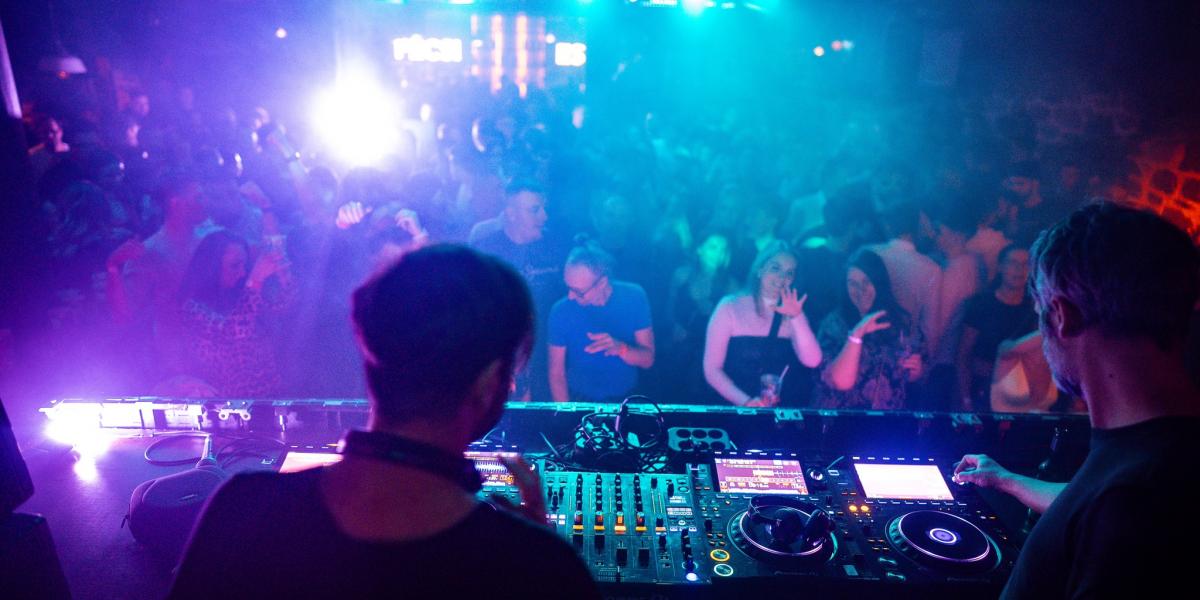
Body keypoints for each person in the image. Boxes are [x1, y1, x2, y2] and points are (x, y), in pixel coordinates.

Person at [169, 245, 598, 598]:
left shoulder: (243, 508)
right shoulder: (534, 567)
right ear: (488, 383)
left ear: (372, 354)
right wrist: (535, 558)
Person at [952, 202, 1200, 598]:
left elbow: (1115, 509)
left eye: (1040, 313)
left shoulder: (1135, 501)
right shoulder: (1149, 457)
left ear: (1062, 316)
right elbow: (1088, 502)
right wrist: (1007, 479)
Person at [703, 241, 822, 407]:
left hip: (778, 410)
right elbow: (712, 369)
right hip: (735, 408)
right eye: (775, 268)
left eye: (789, 273)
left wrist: (797, 316)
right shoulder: (730, 306)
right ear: (760, 269)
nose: (782, 278)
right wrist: (746, 402)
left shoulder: (793, 313)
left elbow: (813, 361)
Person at [176, 231, 294, 397]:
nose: (242, 272)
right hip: (229, 401)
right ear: (211, 268)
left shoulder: (243, 293)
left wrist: (283, 274)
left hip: (269, 394)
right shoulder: (192, 307)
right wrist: (256, 280)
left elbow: (282, 308)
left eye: (245, 265)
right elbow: (233, 333)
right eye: (234, 266)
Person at [813, 249, 923, 410]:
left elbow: (916, 371)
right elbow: (831, 380)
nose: (861, 289)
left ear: (879, 283)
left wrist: (916, 372)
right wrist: (856, 335)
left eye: (867, 281)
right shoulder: (833, 325)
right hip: (842, 416)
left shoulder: (901, 322)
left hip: (887, 419)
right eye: (853, 283)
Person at [548, 241, 655, 402]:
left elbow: (648, 360)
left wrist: (621, 348)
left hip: (625, 398)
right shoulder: (560, 310)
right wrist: (565, 412)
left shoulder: (634, 296)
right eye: (568, 287)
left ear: (602, 282)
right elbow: (556, 374)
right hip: (579, 398)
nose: (570, 296)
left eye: (578, 291)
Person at [957, 244, 1039, 411]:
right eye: (1013, 263)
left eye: (1025, 264)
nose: (1019, 269)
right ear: (1001, 267)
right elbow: (964, 354)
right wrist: (964, 397)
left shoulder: (1035, 307)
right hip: (982, 389)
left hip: (1021, 393)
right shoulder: (981, 303)